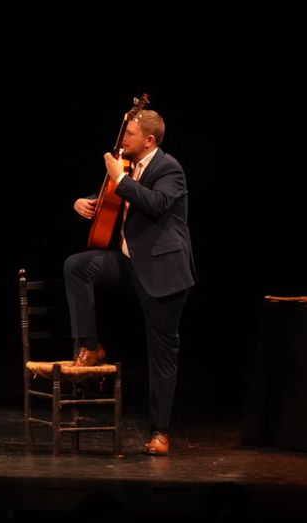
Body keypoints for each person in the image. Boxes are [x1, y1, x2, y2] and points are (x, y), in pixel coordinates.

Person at [64, 108, 194, 458]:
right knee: (77, 266)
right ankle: (91, 345)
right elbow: (110, 201)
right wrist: (84, 202)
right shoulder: (124, 167)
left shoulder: (170, 168)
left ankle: (160, 432)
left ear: (149, 140)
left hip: (164, 272)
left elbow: (155, 203)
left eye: (130, 134)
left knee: (161, 356)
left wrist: (120, 181)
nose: (123, 139)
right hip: (127, 264)